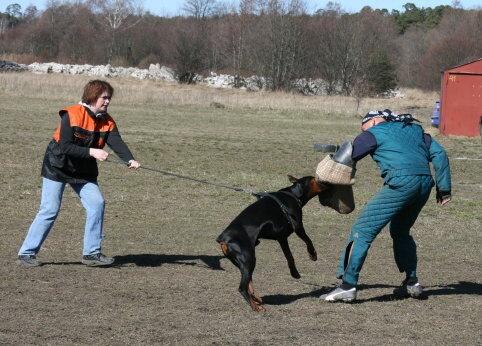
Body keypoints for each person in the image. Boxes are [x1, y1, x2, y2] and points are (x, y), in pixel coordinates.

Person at [320, 109, 451, 302]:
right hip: (425, 185)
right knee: (401, 230)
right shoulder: (416, 131)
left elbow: (349, 155)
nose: (363, 131)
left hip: (402, 183)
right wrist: (445, 189)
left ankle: (348, 285)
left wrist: (327, 172)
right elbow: (439, 155)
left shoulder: (374, 133)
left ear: (373, 122)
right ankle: (411, 282)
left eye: (363, 127)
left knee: (362, 230)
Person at [17, 80, 141, 267]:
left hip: (83, 171)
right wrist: (93, 152)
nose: (107, 101)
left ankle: (91, 254)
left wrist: (130, 159)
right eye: (104, 97)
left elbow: (117, 142)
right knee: (50, 209)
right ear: (92, 96)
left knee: (97, 203)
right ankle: (26, 253)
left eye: (109, 98)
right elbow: (65, 146)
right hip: (57, 166)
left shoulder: (107, 121)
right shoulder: (72, 114)